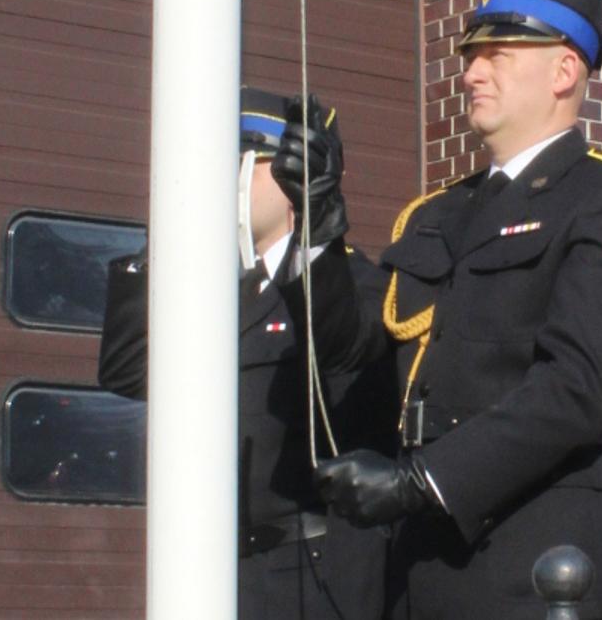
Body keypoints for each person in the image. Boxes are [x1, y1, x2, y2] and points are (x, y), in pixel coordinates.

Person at [307, 0, 602, 620]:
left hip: (534, 559)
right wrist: (320, 238)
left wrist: (426, 481)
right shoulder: (436, 213)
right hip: (419, 560)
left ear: (564, 72)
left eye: (497, 56)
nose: (471, 73)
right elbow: (351, 345)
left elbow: (577, 389)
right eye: (472, 57)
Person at [96, 87, 393, 620]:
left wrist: (319, 224)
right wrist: (163, 238)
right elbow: (127, 370)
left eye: (248, 163)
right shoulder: (219, 294)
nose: (228, 181)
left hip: (308, 573)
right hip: (216, 572)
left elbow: (339, 342)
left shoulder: (353, 283)